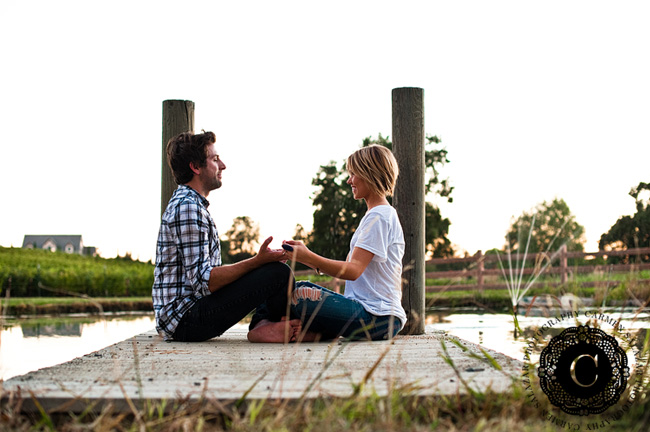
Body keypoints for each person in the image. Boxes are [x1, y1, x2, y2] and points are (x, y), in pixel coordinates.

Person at [152, 130, 300, 343]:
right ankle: (266, 326)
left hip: (187, 315)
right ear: (195, 167)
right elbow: (205, 282)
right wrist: (257, 262)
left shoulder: (192, 205)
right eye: (214, 159)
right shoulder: (187, 208)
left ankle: (271, 326)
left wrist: (258, 265)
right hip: (185, 321)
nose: (222, 165)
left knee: (275, 273)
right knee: (277, 274)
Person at [277, 144, 407, 342]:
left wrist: (308, 256)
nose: (349, 180)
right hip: (374, 315)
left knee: (302, 293)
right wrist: (306, 258)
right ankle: (302, 330)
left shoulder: (380, 216)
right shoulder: (376, 215)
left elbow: (353, 271)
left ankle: (276, 328)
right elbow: (350, 268)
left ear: (369, 173)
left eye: (353, 174)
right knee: (297, 289)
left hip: (379, 317)